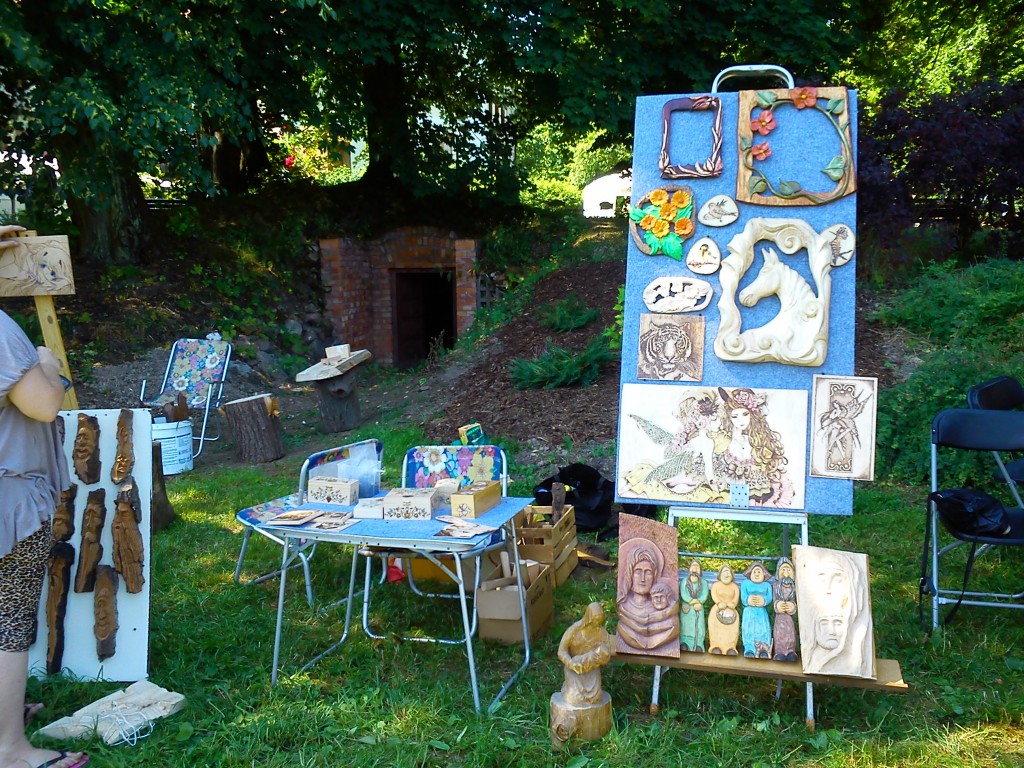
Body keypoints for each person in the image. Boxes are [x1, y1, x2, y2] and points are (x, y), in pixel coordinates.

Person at [0, 225, 88, 768]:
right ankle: (9, 749)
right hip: (8, 501)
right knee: (8, 623)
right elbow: (43, 404)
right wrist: (48, 366)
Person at [713, 387, 790, 506]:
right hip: (727, 493)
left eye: (745, 414)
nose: (741, 420)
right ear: (729, 417)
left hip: (756, 495)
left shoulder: (757, 440)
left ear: (752, 415)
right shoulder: (724, 440)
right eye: (735, 416)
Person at [615, 541, 679, 653]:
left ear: (655, 575)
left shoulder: (666, 609)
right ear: (630, 573)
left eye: (648, 572)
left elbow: (673, 628)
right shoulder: (624, 609)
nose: (643, 578)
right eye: (638, 571)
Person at [556, 602, 614, 706]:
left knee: (596, 697)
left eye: (600, 619)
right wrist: (570, 663)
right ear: (589, 617)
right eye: (595, 619)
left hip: (591, 668)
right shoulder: (574, 630)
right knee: (575, 698)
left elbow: (606, 654)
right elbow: (561, 651)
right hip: (574, 667)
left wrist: (599, 658)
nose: (597, 622)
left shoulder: (602, 633)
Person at [740, 562, 774, 658]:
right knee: (748, 628)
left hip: (761, 611)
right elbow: (743, 596)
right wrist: (747, 600)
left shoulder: (766, 585)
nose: (757, 574)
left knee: (763, 628)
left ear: (764, 574)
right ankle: (749, 648)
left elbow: (769, 597)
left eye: (759, 572)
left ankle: (764, 647)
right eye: (754, 572)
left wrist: (764, 600)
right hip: (749, 611)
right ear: (750, 573)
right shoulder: (745, 584)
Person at [707, 564, 741, 655]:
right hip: (718, 609)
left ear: (732, 575)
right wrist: (718, 602)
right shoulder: (716, 585)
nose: (726, 574)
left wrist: (733, 603)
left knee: (731, 630)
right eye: (724, 572)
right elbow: (714, 594)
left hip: (731, 610)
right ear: (720, 574)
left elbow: (736, 597)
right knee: (715, 627)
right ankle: (715, 645)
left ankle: (730, 647)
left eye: (728, 572)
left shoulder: (734, 586)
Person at [678, 559, 710, 653]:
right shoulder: (684, 581)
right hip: (687, 607)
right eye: (693, 567)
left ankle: (698, 643)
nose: (695, 569)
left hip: (698, 606)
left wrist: (699, 601)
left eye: (697, 567)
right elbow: (683, 593)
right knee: (686, 625)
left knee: (699, 626)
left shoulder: (703, 582)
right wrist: (691, 601)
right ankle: (685, 642)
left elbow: (704, 594)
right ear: (689, 569)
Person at [772, 558, 798, 661]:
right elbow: (774, 598)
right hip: (780, 616)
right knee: (779, 633)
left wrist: (792, 606)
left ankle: (791, 651)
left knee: (790, 633)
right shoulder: (776, 586)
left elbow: (796, 600)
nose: (786, 572)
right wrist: (778, 605)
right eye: (783, 569)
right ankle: (780, 651)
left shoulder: (794, 587)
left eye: (788, 569)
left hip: (789, 616)